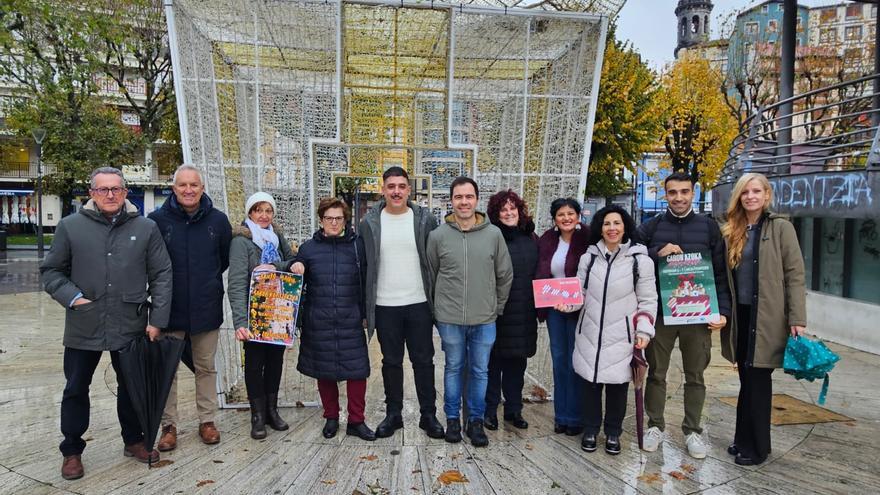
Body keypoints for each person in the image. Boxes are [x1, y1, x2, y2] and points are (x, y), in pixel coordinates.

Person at [41, 167, 173, 480]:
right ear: (92, 193)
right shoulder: (71, 227)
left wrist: (157, 319)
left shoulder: (145, 228)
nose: (110, 195)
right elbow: (52, 271)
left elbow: (161, 274)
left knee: (131, 386)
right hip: (84, 322)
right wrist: (74, 298)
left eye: (116, 189)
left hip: (130, 322)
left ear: (126, 192)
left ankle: (134, 440)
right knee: (76, 387)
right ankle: (72, 450)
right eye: (103, 189)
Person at [637, 172, 732, 459]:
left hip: (698, 314)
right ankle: (655, 426)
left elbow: (720, 273)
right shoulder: (651, 226)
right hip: (662, 314)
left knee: (696, 375)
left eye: (684, 192)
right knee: (657, 373)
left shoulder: (709, 227)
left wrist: (722, 311)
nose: (678, 198)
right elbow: (632, 257)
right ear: (665, 194)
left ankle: (693, 430)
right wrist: (656, 252)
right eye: (672, 192)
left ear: (693, 193)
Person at [720, 173, 806, 466]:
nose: (751, 197)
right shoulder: (732, 229)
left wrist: (797, 317)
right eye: (745, 192)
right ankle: (742, 438)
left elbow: (795, 274)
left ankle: (757, 448)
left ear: (766, 195)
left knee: (758, 381)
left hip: (767, 316)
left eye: (756, 191)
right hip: (741, 316)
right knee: (746, 379)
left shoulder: (781, 228)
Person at [559, 205, 657, 455]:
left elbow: (648, 299)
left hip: (622, 336)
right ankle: (591, 429)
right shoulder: (589, 258)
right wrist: (567, 304)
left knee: (617, 387)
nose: (612, 228)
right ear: (600, 228)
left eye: (617, 223)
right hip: (590, 332)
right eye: (606, 223)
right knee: (590, 385)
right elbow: (579, 292)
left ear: (625, 227)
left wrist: (644, 331)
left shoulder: (640, 261)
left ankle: (613, 432)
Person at [148, 164, 232, 451]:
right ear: (173, 188)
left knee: (205, 367)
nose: (188, 190)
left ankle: (206, 421)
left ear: (202, 188)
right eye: (182, 185)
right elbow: (151, 263)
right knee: (167, 371)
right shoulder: (157, 221)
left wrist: (207, 284)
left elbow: (223, 259)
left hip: (206, 307)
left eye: (193, 185)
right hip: (168, 310)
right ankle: (168, 426)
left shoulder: (218, 221)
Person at [359, 167, 444, 439]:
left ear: (409, 190)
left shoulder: (425, 220)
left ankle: (428, 415)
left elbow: (437, 260)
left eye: (401, 186)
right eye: (391, 186)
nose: (396, 191)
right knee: (391, 362)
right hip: (385, 305)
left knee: (424, 361)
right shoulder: (369, 223)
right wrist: (364, 308)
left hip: (419, 303)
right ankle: (393, 414)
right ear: (383, 189)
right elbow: (363, 266)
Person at [427, 176, 513, 447]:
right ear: (451, 201)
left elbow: (504, 274)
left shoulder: (493, 235)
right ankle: (453, 419)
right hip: (450, 318)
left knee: (480, 371)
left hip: (484, 318)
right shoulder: (438, 236)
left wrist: (496, 307)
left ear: (477, 200)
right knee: (453, 368)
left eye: (468, 197)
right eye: (458, 197)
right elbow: (431, 275)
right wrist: (437, 311)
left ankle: (475, 421)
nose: (464, 202)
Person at [289, 197, 375, 441]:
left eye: (338, 218)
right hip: (319, 320)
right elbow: (296, 270)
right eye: (329, 218)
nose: (334, 223)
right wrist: (295, 263)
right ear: (321, 220)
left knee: (357, 372)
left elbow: (367, 280)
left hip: (350, 318)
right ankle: (331, 417)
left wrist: (366, 314)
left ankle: (356, 420)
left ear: (345, 220)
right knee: (324, 372)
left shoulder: (358, 246)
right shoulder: (308, 248)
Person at [227, 192, 298, 439]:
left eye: (268, 211)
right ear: (250, 213)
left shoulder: (277, 237)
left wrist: (276, 266)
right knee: (255, 363)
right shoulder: (241, 241)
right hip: (254, 313)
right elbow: (236, 282)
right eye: (258, 210)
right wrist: (240, 322)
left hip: (278, 311)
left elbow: (292, 261)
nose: (264, 215)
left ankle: (271, 410)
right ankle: (257, 415)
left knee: (275, 361)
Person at [483, 190, 538, 431]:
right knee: (493, 365)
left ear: (519, 210)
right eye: (503, 210)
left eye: (512, 208)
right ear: (496, 214)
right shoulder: (491, 238)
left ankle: (514, 409)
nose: (508, 213)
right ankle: (490, 410)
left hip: (524, 312)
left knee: (517, 365)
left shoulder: (531, 238)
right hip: (498, 312)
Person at [535, 198, 590, 436]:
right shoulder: (547, 240)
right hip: (554, 309)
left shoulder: (589, 238)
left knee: (575, 361)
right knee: (559, 360)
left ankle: (576, 416)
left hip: (580, 309)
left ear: (578, 216)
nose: (566, 218)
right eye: (561, 214)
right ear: (554, 219)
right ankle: (562, 416)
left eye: (570, 213)